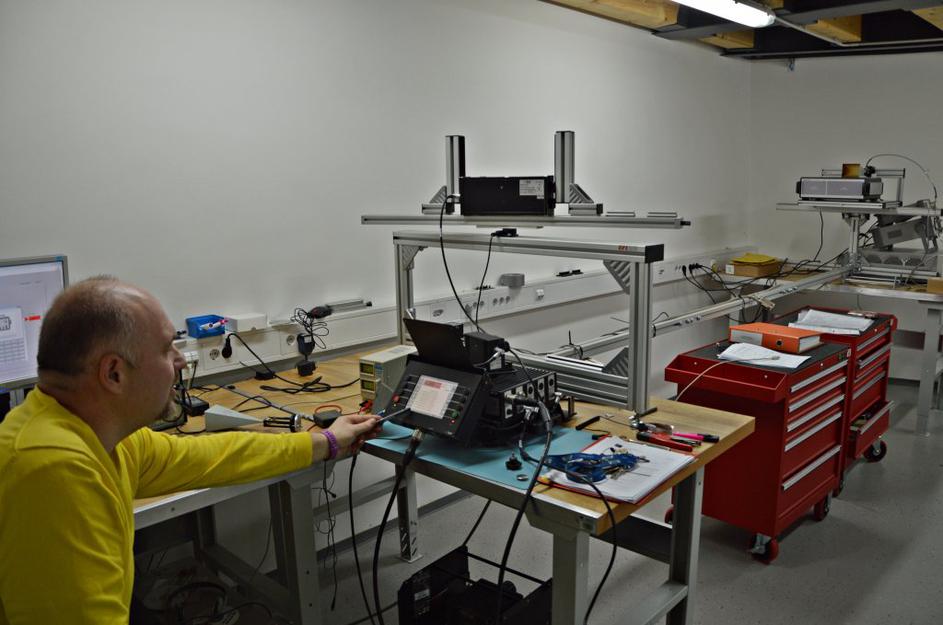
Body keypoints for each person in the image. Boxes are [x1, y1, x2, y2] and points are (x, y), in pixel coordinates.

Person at [0, 276, 381, 625]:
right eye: (167, 349)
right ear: (114, 373)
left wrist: (326, 442)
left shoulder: (101, 436)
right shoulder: (53, 470)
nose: (181, 360)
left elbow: (215, 455)